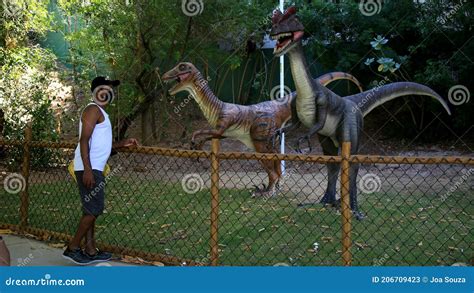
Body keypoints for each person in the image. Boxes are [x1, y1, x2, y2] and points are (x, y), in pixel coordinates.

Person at [63, 77, 139, 265]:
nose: (108, 92)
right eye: (104, 88)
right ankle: (72, 248)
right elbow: (83, 140)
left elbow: (100, 147)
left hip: (94, 167)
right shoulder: (92, 109)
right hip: (89, 169)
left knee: (91, 210)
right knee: (94, 210)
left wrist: (122, 144)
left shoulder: (100, 112)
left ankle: (90, 250)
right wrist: (88, 170)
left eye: (111, 89)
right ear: (96, 90)